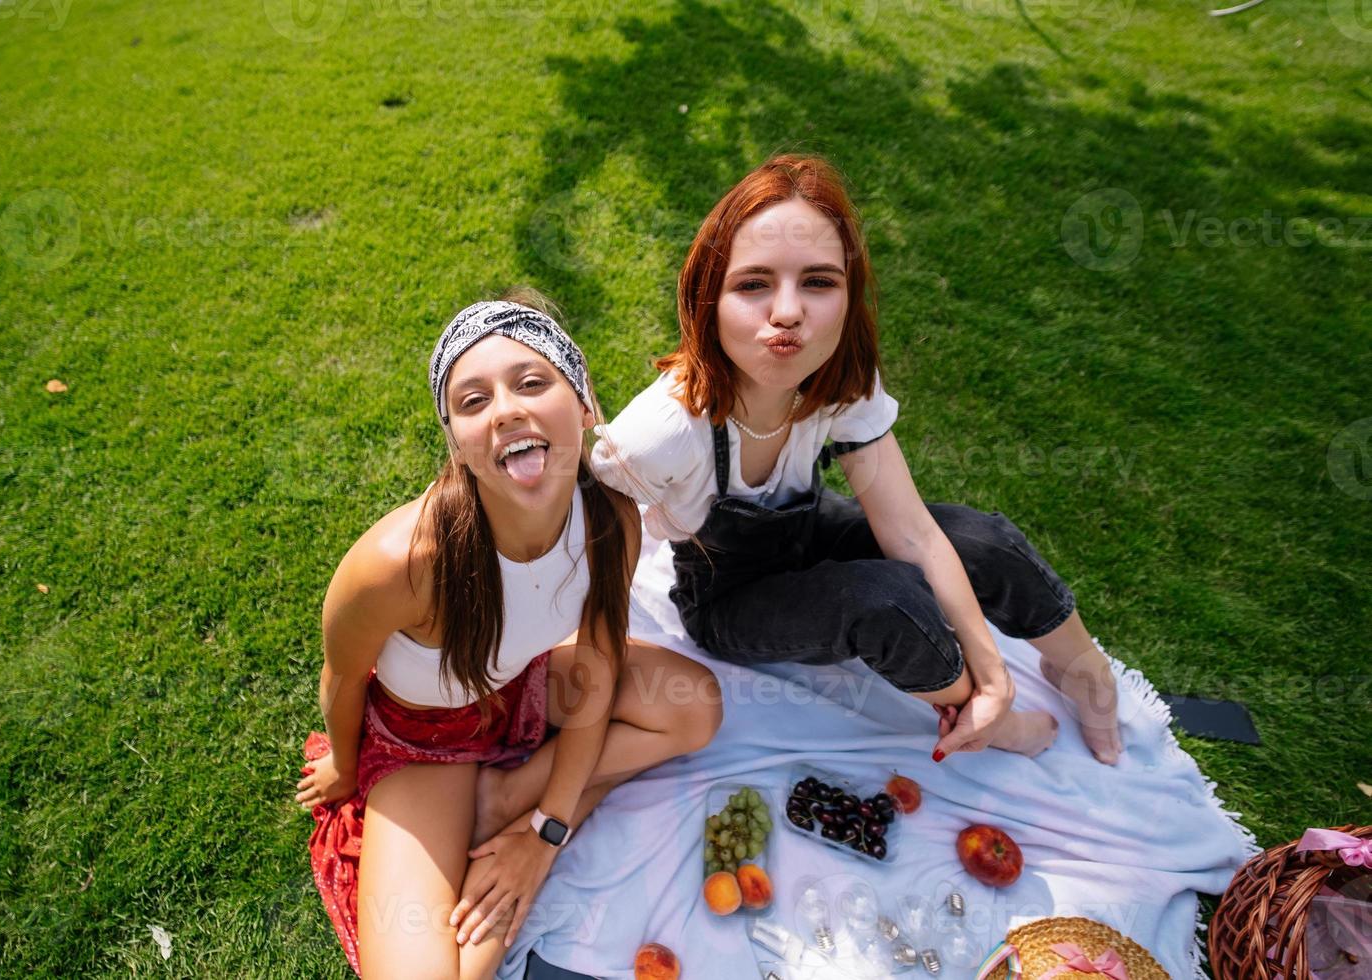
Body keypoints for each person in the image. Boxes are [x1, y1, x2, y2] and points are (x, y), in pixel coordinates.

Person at [590, 155, 1123, 767]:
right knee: (886, 601)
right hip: (729, 599)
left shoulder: (836, 377)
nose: (787, 311)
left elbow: (914, 532)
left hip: (810, 536)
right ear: (706, 297)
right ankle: (980, 720)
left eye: (818, 282)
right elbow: (589, 556)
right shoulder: (660, 433)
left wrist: (996, 663)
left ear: (848, 296)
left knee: (984, 541)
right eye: (753, 284)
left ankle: (1083, 670)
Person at [295, 291, 723, 980]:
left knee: (695, 707)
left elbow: (598, 669)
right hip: (422, 742)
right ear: (457, 446)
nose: (505, 410)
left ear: (582, 404)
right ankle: (486, 797)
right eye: (472, 401)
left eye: (532, 383)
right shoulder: (396, 565)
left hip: (524, 689)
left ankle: (506, 797)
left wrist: (545, 833)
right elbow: (343, 676)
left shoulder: (610, 519)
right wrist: (346, 764)